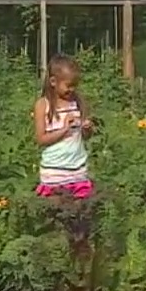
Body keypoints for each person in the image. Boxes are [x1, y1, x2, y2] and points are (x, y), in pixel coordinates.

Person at [34, 55, 93, 199]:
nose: (72, 89)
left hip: (78, 172)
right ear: (53, 82)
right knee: (55, 209)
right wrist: (64, 130)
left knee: (81, 209)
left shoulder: (77, 102)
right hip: (54, 173)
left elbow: (85, 137)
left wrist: (87, 129)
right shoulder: (43, 105)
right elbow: (41, 139)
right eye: (69, 85)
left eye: (75, 85)